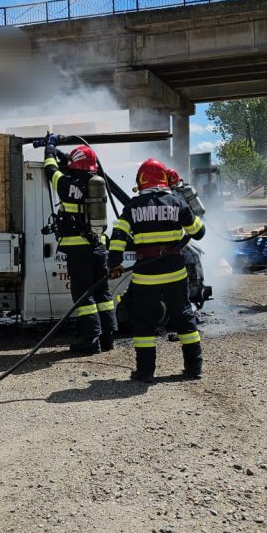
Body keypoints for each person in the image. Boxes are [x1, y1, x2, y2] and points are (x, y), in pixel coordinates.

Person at [108, 158, 206, 383]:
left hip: (146, 275)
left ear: (141, 181)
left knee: (143, 321)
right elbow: (198, 232)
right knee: (184, 318)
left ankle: (145, 372)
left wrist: (114, 264)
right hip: (174, 272)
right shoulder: (176, 202)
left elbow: (118, 238)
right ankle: (194, 368)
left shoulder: (133, 207)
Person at [43, 134, 117, 354]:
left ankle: (90, 341)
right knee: (103, 294)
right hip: (100, 246)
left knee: (84, 295)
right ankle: (108, 339)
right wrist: (60, 153)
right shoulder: (97, 183)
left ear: (74, 166)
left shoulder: (66, 184)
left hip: (78, 249)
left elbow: (50, 169)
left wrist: (49, 148)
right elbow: (71, 164)